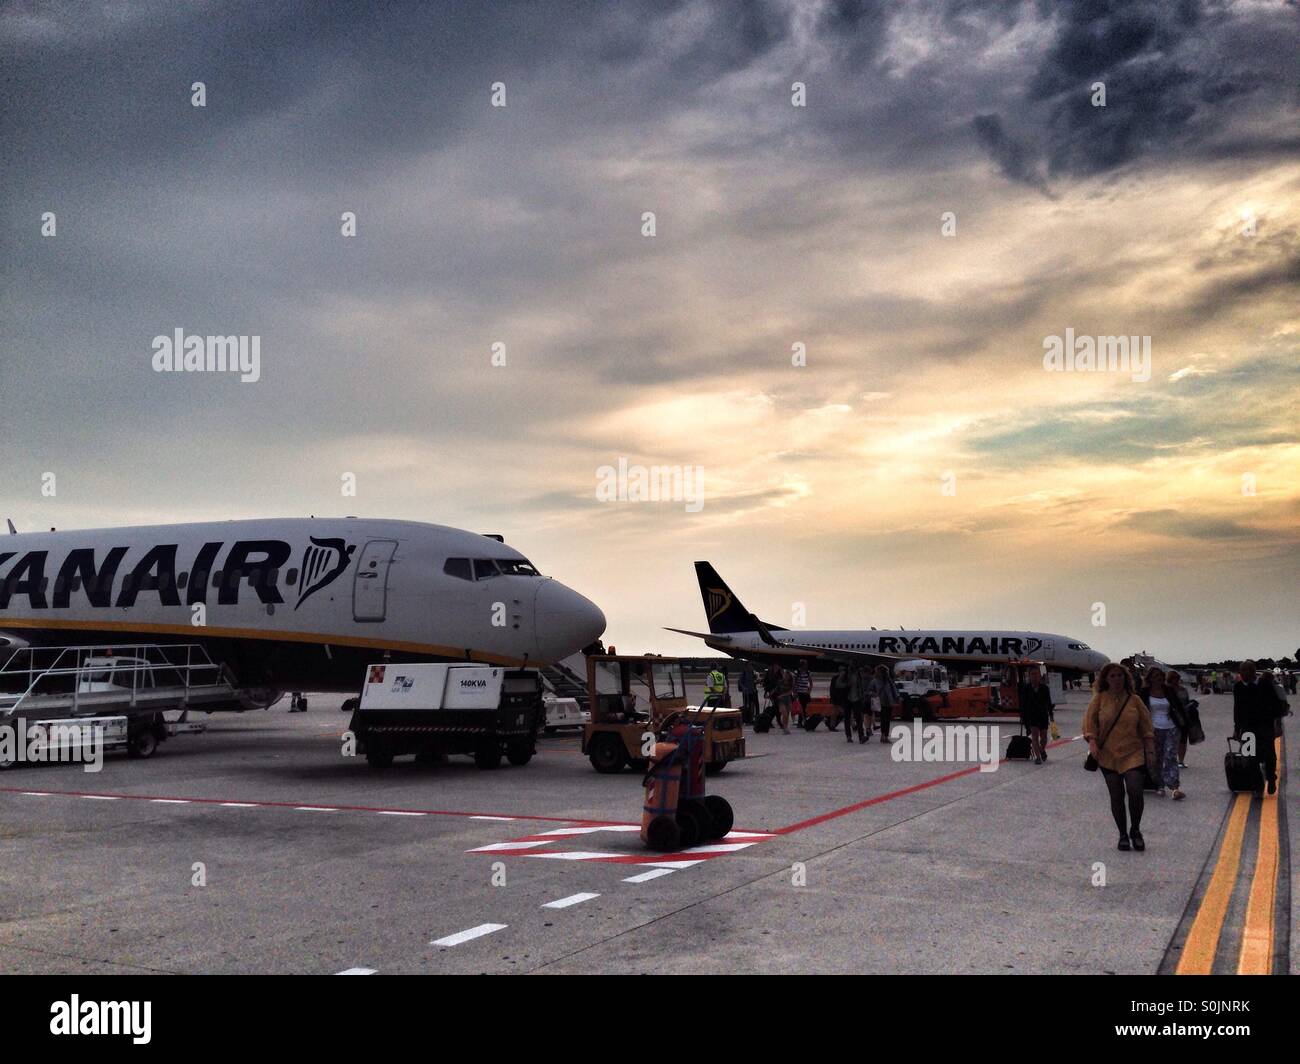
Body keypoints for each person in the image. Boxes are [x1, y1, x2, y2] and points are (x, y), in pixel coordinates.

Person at [1084, 663, 1155, 852]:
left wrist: (1150, 751)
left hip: (1133, 752)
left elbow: (1147, 727)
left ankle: (1136, 830)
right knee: (1116, 795)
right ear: (1106, 680)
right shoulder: (1099, 700)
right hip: (1107, 754)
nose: (1116, 679)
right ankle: (1123, 834)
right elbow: (1089, 724)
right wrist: (1092, 743)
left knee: (1135, 791)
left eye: (1120, 676)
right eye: (1112, 676)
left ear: (1126, 678)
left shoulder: (1134, 700)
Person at [1233, 660, 1286, 797]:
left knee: (1269, 755)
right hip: (1247, 726)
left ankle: (1271, 777)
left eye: (1247, 671)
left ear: (1253, 672)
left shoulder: (1265, 685)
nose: (1244, 674)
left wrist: (1276, 722)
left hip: (1264, 726)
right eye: (1242, 671)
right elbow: (1237, 708)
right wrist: (1236, 728)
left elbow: (1276, 706)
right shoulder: (1238, 687)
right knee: (1249, 757)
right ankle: (1257, 785)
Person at [1139, 666, 1185, 800]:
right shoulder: (1144, 692)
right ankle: (1159, 785)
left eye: (1160, 676)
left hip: (1171, 727)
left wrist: (1182, 724)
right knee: (1155, 758)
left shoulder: (1168, 690)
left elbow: (1178, 707)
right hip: (1153, 729)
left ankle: (1175, 788)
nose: (1158, 679)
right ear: (1149, 678)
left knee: (1170, 756)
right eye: (1155, 676)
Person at [1023, 666, 1053, 764]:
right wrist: (1023, 718)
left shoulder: (1045, 688)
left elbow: (1049, 703)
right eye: (1032, 674)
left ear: (1040, 676)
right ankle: (1038, 757)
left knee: (1044, 738)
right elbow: (1023, 704)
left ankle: (1042, 749)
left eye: (1036, 674)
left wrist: (1051, 715)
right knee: (1035, 736)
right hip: (1032, 715)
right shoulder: (1026, 688)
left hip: (1043, 715)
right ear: (1029, 676)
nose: (1035, 676)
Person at [830, 664, 860, 743]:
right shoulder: (838, 678)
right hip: (840, 698)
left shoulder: (838, 678)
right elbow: (834, 688)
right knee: (843, 714)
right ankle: (851, 726)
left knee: (843, 714)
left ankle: (834, 726)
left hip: (840, 698)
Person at [873, 665, 900, 743]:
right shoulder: (876, 681)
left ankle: (885, 736)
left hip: (888, 702)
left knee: (886, 719)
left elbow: (894, 689)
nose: (885, 673)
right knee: (884, 719)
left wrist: (897, 697)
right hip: (881, 702)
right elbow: (870, 690)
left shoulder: (889, 681)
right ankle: (883, 735)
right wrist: (874, 694)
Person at [775, 664, 794, 734]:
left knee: (787, 715)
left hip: (788, 700)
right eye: (785, 675)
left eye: (787, 675)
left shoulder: (791, 683)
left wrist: (782, 695)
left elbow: (790, 692)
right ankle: (784, 727)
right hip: (781, 700)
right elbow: (776, 690)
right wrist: (769, 694)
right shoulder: (780, 682)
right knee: (784, 713)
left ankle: (786, 727)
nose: (786, 676)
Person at [793, 660, 812, 729]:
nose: (806, 666)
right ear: (802, 665)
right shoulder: (797, 673)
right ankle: (800, 722)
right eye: (805, 665)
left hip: (805, 693)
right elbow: (794, 683)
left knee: (806, 708)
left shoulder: (808, 673)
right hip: (799, 693)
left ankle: (804, 721)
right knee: (801, 708)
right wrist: (795, 692)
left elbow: (811, 682)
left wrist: (809, 691)